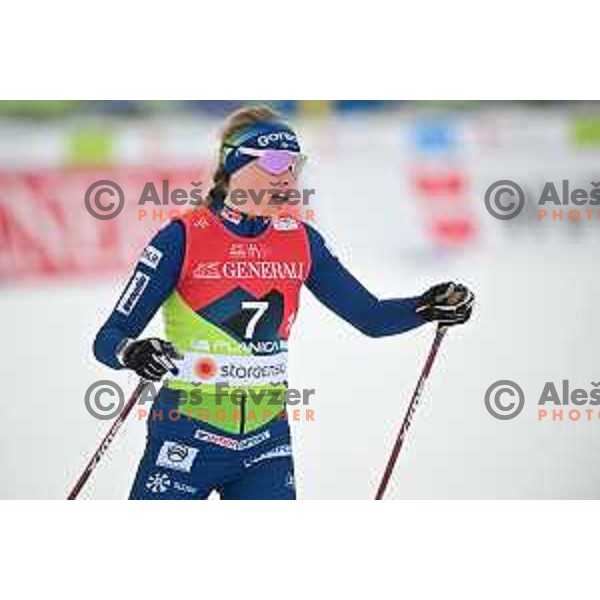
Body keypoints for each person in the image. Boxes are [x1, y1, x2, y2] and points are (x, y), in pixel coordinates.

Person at [94, 105, 474, 500]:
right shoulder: (181, 238)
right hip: (185, 435)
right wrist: (133, 351)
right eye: (276, 163)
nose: (288, 178)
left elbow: (370, 317)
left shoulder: (301, 241)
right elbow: (108, 338)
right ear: (234, 165)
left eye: (296, 165)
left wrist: (427, 307)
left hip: (267, 445)